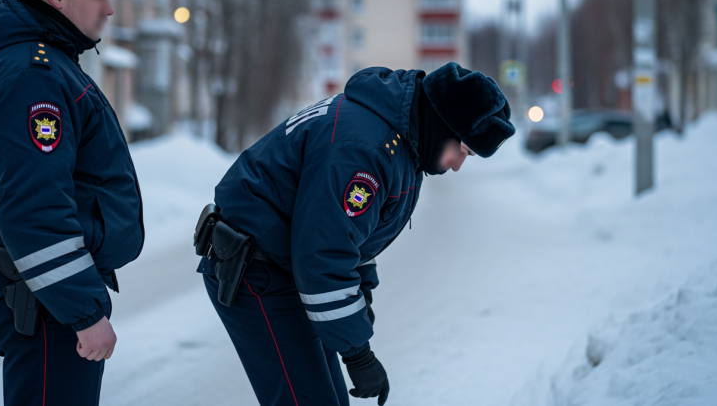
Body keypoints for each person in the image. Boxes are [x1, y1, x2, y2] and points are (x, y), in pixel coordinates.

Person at [195, 62, 515, 405]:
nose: (456, 165)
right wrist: (358, 354)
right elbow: (323, 255)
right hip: (255, 270)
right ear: (442, 122)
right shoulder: (367, 147)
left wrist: (361, 287)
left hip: (282, 266)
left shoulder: (401, 136)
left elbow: (351, 234)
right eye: (462, 150)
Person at [0, 0, 144, 404]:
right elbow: (34, 210)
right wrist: (83, 312)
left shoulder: (46, 62)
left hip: (50, 294)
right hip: (48, 301)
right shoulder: (32, 74)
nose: (109, 8)